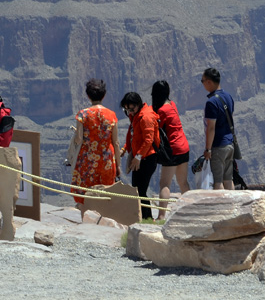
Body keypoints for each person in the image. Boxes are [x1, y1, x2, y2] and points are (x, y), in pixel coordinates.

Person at [69, 79, 120, 207]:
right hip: (106, 162)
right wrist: (118, 165)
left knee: (86, 196)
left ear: (88, 95)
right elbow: (116, 143)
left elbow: (79, 139)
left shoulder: (83, 114)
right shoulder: (111, 115)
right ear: (104, 95)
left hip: (87, 161)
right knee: (105, 196)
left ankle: (86, 221)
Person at [151, 80, 190, 220]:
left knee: (164, 184)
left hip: (172, 149)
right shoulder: (172, 105)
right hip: (184, 147)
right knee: (183, 182)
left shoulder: (161, 111)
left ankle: (161, 216)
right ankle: (191, 210)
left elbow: (156, 126)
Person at [121, 91, 159, 220]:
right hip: (140, 157)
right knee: (137, 190)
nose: (129, 112)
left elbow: (148, 140)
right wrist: (124, 149)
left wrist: (137, 158)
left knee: (140, 191)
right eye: (126, 109)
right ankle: (143, 217)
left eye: (131, 108)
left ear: (137, 104)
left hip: (147, 158)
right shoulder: (136, 115)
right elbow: (134, 137)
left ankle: (147, 219)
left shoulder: (146, 117)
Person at [201, 67, 235, 190]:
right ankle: (232, 206)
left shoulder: (211, 102)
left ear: (209, 82)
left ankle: (221, 208)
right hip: (230, 144)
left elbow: (211, 128)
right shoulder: (228, 96)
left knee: (217, 181)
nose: (202, 83)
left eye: (202, 80)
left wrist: (208, 149)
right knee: (228, 179)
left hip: (218, 146)